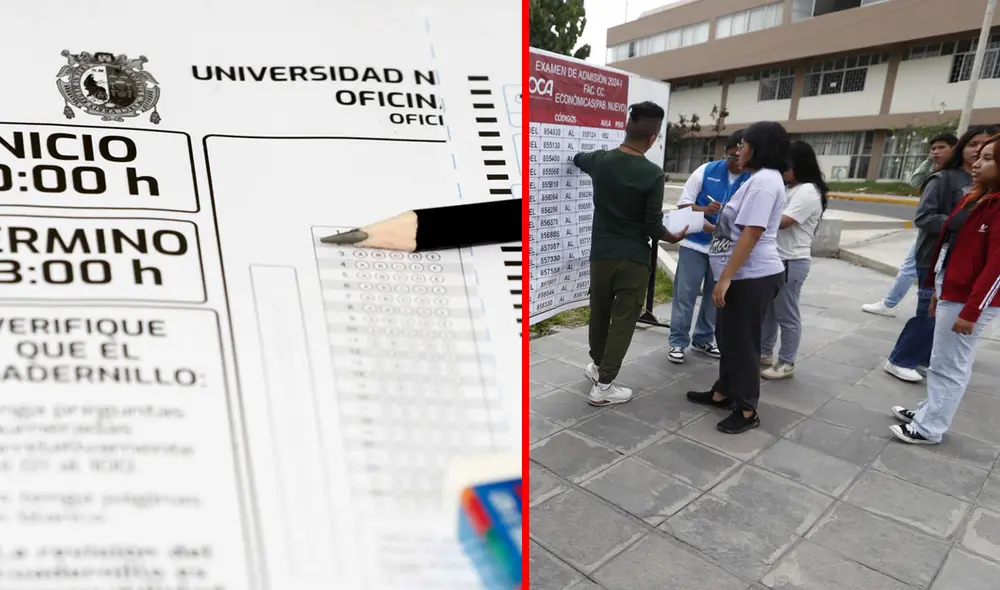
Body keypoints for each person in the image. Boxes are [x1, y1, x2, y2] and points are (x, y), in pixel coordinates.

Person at [572, 101, 686, 407]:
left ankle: (597, 366)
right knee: (623, 320)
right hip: (634, 259)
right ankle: (605, 385)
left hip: (601, 256)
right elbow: (653, 226)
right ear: (653, 138)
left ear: (627, 126)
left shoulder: (600, 161)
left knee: (599, 312)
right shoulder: (653, 174)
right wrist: (673, 235)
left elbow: (577, 158)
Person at [889, 132, 1000, 444]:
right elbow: (951, 246)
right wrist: (938, 288)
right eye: (978, 155)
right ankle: (929, 412)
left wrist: (972, 311)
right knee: (940, 360)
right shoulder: (979, 197)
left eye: (988, 158)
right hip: (951, 290)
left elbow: (996, 268)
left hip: (968, 300)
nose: (977, 163)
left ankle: (930, 428)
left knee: (950, 364)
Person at [685, 121, 788, 434]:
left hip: (750, 276)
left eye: (744, 145)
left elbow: (752, 233)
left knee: (742, 343)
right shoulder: (757, 179)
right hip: (740, 274)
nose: (738, 151)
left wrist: (726, 278)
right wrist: (688, 225)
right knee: (728, 338)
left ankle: (746, 409)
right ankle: (723, 392)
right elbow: (727, 230)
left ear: (759, 148)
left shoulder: (766, 181)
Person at [666, 130, 751, 364]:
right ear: (725, 153)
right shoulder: (706, 171)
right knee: (685, 294)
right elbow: (683, 204)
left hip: (725, 249)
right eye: (733, 156)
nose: (737, 162)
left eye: (741, 156)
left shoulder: (752, 178)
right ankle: (677, 341)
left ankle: (703, 338)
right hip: (695, 244)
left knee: (716, 298)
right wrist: (705, 211)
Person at [862, 133, 958, 317]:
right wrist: (930, 162)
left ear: (955, 149)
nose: (936, 152)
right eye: (933, 148)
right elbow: (915, 181)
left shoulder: (958, 176)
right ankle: (890, 303)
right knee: (910, 267)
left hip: (944, 234)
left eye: (941, 147)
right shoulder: (937, 173)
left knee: (922, 273)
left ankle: (896, 305)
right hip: (930, 233)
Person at [760, 141, 827, 380]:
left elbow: (785, 221)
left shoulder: (807, 190)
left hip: (791, 261)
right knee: (768, 311)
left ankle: (787, 362)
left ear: (799, 165)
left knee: (786, 314)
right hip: (777, 259)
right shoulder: (791, 188)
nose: (782, 169)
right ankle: (764, 352)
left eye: (786, 165)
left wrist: (758, 214)